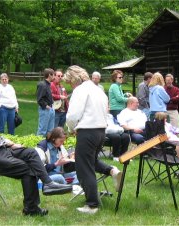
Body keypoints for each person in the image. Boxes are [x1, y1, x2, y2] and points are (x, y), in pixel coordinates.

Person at [0, 95, 72, 217]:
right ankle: (31, 208)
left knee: (31, 152)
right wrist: (10, 143)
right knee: (28, 169)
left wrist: (9, 144)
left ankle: (48, 183)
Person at [64, 65, 123, 214]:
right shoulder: (99, 90)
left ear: (74, 79)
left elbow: (72, 115)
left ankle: (91, 205)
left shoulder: (80, 90)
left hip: (87, 131)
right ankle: (112, 171)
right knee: (91, 161)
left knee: (83, 168)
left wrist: (71, 128)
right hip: (101, 132)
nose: (70, 85)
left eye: (69, 82)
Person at [36, 68, 56, 136]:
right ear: (49, 75)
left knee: (50, 130)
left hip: (51, 109)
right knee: (42, 130)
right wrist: (46, 106)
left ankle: (47, 145)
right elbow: (39, 99)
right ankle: (39, 145)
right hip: (45, 110)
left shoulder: (49, 84)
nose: (54, 76)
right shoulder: (42, 85)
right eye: (53, 75)